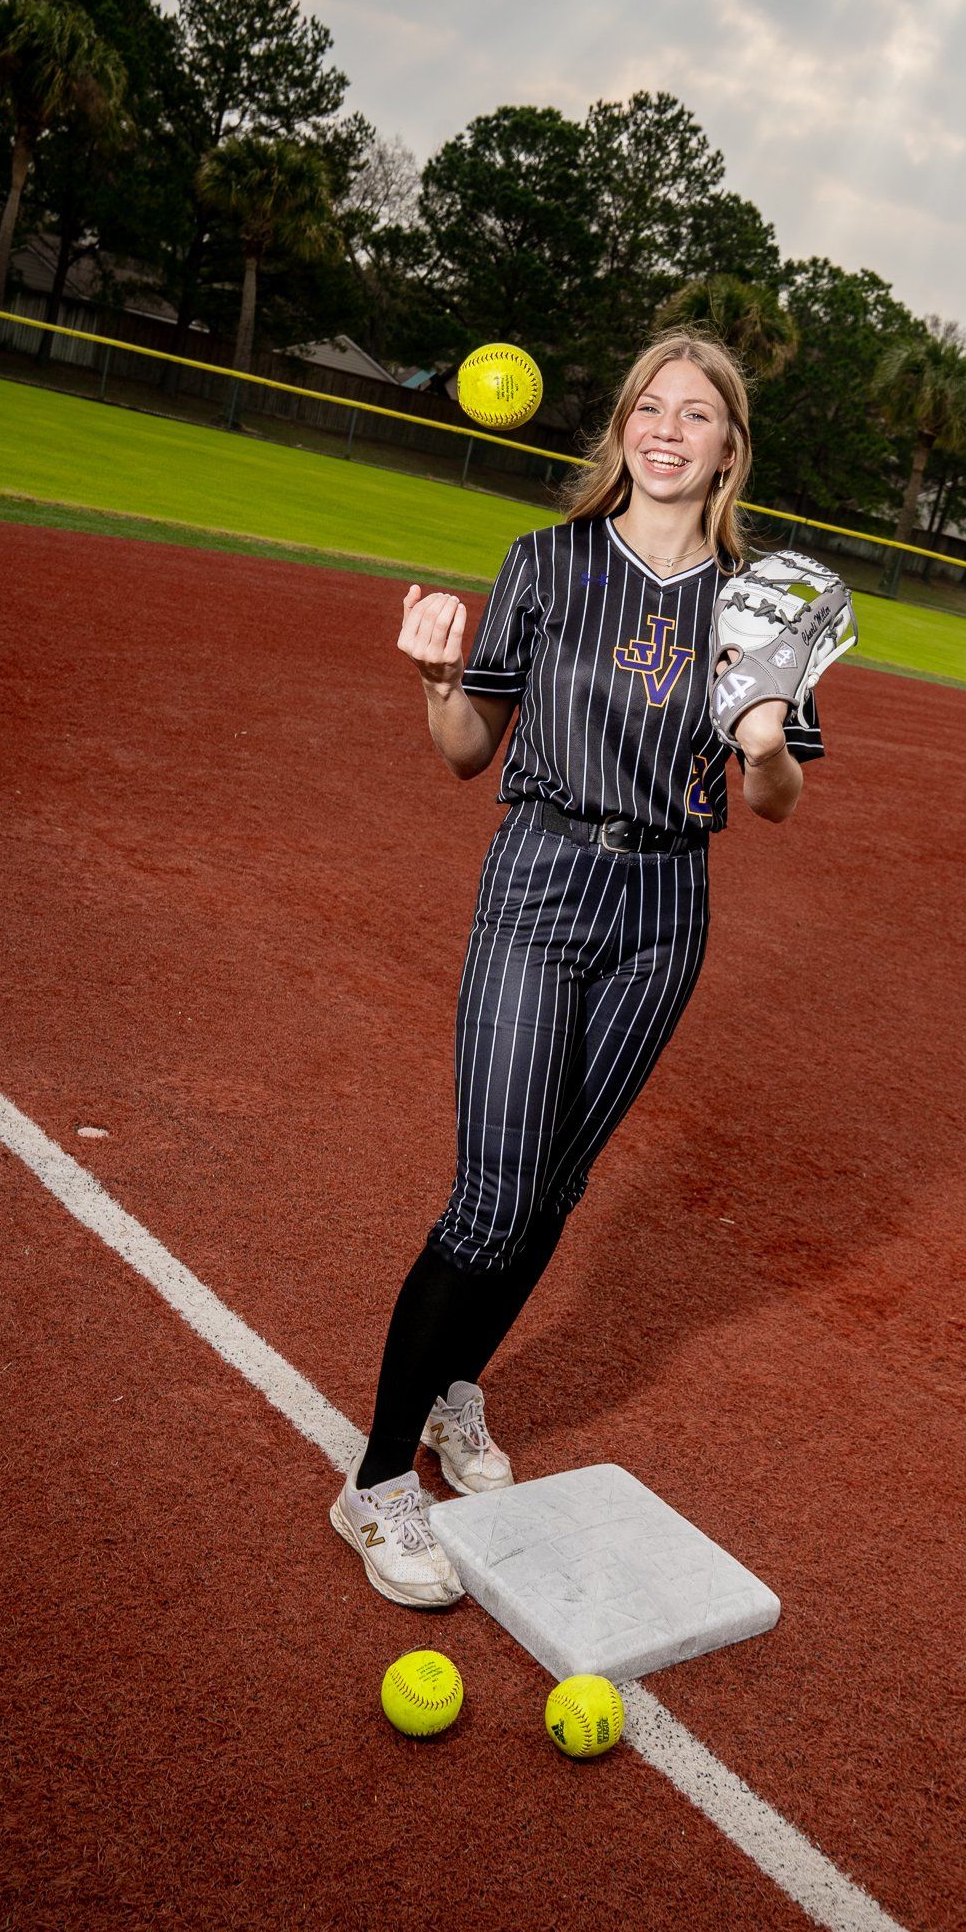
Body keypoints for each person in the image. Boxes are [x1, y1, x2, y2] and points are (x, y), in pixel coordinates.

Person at [330, 331, 826, 1606]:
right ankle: (378, 1481)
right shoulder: (547, 564)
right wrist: (441, 678)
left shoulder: (763, 600)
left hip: (667, 901)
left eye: (696, 413)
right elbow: (462, 752)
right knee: (491, 1200)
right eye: (648, 408)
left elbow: (770, 801)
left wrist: (763, 741)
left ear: (728, 447)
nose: (667, 429)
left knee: (554, 1188)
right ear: (622, 432)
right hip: (543, 878)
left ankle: (449, 1401)